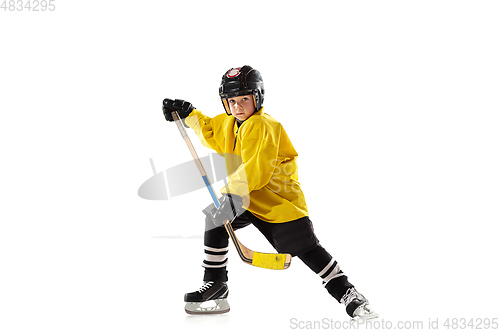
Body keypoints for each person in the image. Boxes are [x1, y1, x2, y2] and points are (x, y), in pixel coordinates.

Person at [162, 65, 377, 319]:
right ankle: (216, 284)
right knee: (215, 220)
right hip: (247, 198)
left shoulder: (264, 126)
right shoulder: (233, 123)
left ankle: (348, 293)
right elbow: (211, 130)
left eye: (244, 99)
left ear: (257, 98)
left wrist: (231, 197)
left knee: (304, 248)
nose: (238, 106)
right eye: (232, 101)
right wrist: (188, 115)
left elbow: (257, 168)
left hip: (277, 201)